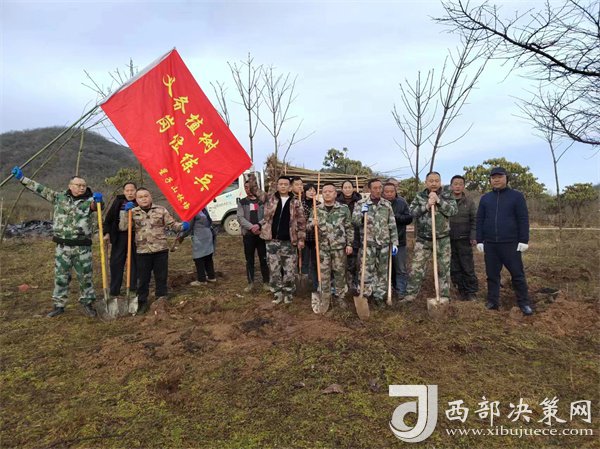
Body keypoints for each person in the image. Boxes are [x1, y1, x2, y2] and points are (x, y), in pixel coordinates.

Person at [10, 166, 101, 318]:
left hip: (82, 247)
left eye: (84, 185)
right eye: (78, 185)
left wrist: (99, 201)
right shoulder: (59, 198)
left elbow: (97, 207)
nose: (82, 188)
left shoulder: (89, 201)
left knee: (85, 276)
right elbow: (39, 189)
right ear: (70, 186)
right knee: (61, 277)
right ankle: (59, 305)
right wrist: (22, 178)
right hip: (62, 246)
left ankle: (87, 303)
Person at [119, 188, 189, 314]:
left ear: (150, 197)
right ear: (136, 200)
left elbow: (172, 225)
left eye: (146, 196)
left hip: (160, 249)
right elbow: (124, 227)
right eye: (140, 197)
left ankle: (161, 298)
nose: (144, 199)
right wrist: (125, 213)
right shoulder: (132, 212)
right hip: (142, 250)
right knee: (143, 278)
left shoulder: (161, 210)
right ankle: (142, 301)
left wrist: (182, 226)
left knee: (161, 276)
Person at [476, 167, 533, 315]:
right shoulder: (485, 198)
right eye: (493, 177)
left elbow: (523, 219)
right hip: (490, 244)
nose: (496, 180)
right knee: (492, 275)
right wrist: (479, 240)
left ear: (506, 178)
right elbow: (480, 220)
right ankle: (492, 302)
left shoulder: (516, 196)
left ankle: (524, 303)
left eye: (499, 177)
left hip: (510, 244)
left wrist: (524, 240)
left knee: (517, 275)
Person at [405, 172, 458, 303]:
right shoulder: (420, 196)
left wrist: (439, 201)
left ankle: (444, 296)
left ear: (440, 182)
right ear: (426, 182)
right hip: (423, 239)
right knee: (416, 267)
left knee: (444, 268)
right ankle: (410, 295)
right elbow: (411, 213)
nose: (434, 183)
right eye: (431, 181)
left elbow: (453, 211)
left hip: (442, 239)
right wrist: (427, 205)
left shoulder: (447, 195)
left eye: (436, 180)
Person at [352, 178, 399, 307]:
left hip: (384, 243)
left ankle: (379, 296)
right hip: (368, 243)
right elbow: (355, 222)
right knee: (366, 270)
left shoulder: (386, 204)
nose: (378, 190)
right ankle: (365, 294)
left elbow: (392, 224)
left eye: (380, 188)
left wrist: (394, 242)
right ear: (369, 189)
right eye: (375, 188)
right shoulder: (361, 204)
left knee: (382, 271)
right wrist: (362, 214)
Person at [260, 175, 306, 304]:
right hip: (272, 241)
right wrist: (250, 173)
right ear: (277, 186)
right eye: (281, 184)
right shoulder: (269, 199)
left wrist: (301, 239)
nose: (283, 186)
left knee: (289, 270)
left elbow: (302, 222)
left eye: (286, 184)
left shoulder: (296, 202)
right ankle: (277, 292)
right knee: (274, 269)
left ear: (290, 187)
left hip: (289, 242)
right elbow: (254, 190)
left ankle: (288, 292)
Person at [310, 182, 354, 310]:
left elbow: (349, 227)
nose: (327, 193)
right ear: (321, 194)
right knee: (324, 274)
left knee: (340, 273)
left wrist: (349, 244)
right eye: (325, 191)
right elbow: (307, 227)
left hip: (339, 248)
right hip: (322, 248)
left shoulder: (343, 209)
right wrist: (312, 223)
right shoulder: (316, 209)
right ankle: (325, 299)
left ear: (335, 194)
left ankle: (340, 297)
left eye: (330, 191)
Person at [103, 181, 138, 298]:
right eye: (127, 191)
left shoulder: (140, 201)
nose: (130, 193)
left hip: (135, 236)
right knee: (116, 262)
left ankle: (132, 288)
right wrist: (107, 233)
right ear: (124, 192)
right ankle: (114, 290)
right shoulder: (118, 201)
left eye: (132, 190)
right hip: (119, 236)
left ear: (136, 191)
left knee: (134, 262)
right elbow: (109, 218)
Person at [448, 175, 479, 301]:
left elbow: (474, 220)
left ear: (463, 186)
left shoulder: (469, 202)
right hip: (449, 239)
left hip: (464, 239)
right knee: (454, 266)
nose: (457, 186)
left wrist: (473, 236)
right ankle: (460, 289)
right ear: (451, 186)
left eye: (460, 184)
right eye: (455, 184)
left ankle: (471, 292)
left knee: (467, 266)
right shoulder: (446, 201)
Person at [236, 176, 269, 292]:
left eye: (249, 187)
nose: (248, 189)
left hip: (261, 234)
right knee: (249, 260)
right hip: (248, 235)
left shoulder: (262, 201)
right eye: (245, 187)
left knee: (263, 259)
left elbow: (267, 215)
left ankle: (266, 282)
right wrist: (251, 227)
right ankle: (250, 283)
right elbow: (240, 217)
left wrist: (259, 225)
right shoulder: (242, 202)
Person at [382, 182, 413, 298]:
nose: (389, 194)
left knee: (400, 268)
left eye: (392, 191)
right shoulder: (380, 204)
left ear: (395, 192)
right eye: (387, 192)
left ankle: (401, 291)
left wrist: (396, 217)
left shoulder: (402, 202)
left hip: (399, 241)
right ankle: (385, 291)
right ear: (383, 193)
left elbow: (409, 218)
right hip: (383, 242)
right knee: (384, 268)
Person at [336, 180, 362, 290]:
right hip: (340, 233)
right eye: (345, 187)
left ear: (353, 188)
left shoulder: (359, 201)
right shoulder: (337, 201)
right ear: (342, 189)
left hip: (355, 233)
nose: (347, 189)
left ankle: (353, 282)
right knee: (340, 261)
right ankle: (341, 283)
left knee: (353, 260)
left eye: (349, 187)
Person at [183, 207, 216, 286]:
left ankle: (201, 279)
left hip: (200, 236)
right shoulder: (204, 208)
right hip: (208, 234)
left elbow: (189, 226)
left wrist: (182, 236)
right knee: (208, 256)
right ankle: (211, 276)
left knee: (198, 258)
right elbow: (210, 221)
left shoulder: (194, 210)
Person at [301, 183, 320, 293]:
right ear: (305, 192)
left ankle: (315, 283)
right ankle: (304, 284)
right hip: (304, 237)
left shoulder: (318, 205)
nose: (312, 192)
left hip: (315, 238)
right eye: (309, 190)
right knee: (304, 261)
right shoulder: (300, 204)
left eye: (314, 190)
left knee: (315, 261)